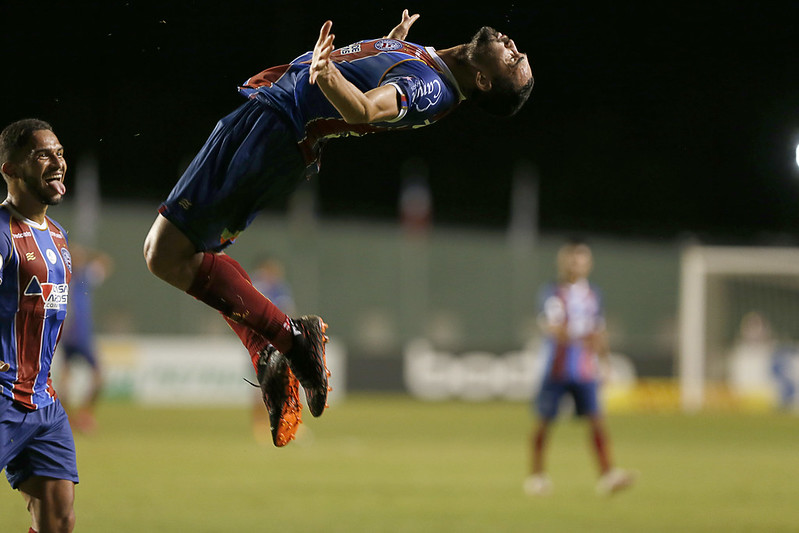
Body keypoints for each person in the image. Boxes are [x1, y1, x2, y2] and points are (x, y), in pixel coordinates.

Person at [142, 10, 534, 447]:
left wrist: (327, 76)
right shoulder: (430, 61)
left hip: (275, 131)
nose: (513, 47)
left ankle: (289, 339)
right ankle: (269, 347)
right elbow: (376, 79)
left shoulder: (430, 86)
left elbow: (366, 109)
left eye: (512, 60)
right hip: (273, 123)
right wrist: (395, 41)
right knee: (180, 254)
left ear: (483, 80)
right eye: (518, 53)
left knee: (165, 254)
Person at [0, 119, 77, 532]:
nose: (57, 162)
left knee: (58, 518)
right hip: (1, 398)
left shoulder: (60, 237)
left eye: (60, 153)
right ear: (10, 169)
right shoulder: (1, 235)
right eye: (43, 154)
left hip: (44, 403)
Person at [524, 240, 635, 496]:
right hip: (557, 367)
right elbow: (552, 327)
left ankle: (608, 475)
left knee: (596, 420)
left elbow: (599, 332)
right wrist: (582, 336)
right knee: (544, 422)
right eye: (573, 259)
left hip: (584, 370)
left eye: (582, 259)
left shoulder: (594, 294)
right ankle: (536, 476)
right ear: (563, 262)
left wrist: (605, 364)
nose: (577, 264)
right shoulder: (552, 292)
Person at [58, 244, 114, 433]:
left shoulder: (63, 277)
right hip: (79, 333)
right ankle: (84, 415)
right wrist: (93, 254)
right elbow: (106, 262)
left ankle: (67, 418)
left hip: (66, 333)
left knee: (66, 375)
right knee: (98, 375)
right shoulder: (83, 277)